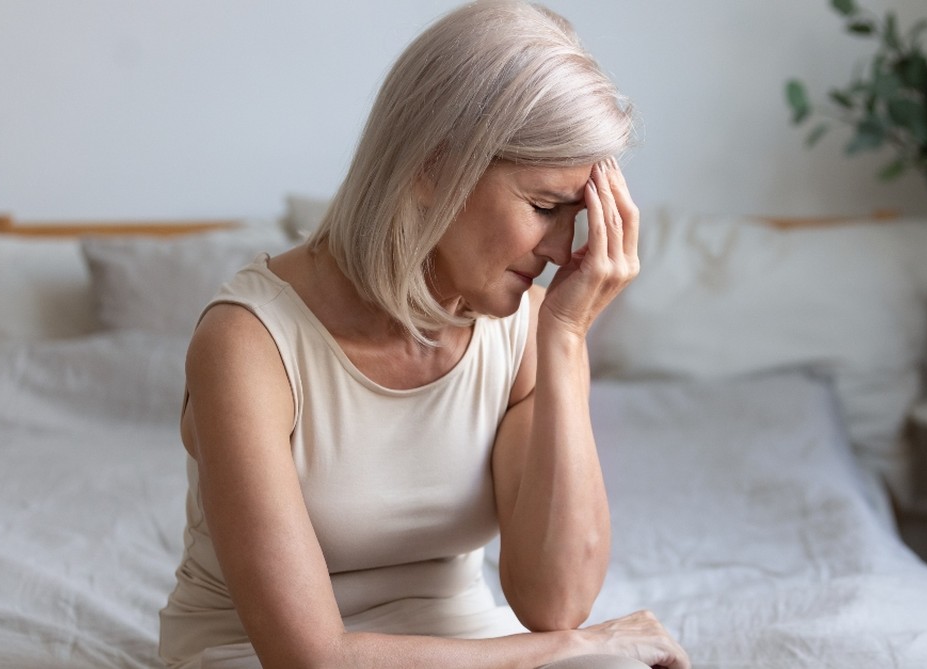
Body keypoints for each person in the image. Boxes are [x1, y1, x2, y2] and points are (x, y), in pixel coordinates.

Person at [158, 2, 688, 668]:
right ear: (434, 166)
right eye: (545, 207)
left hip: (463, 645)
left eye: (575, 215)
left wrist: (566, 341)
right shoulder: (248, 341)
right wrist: (574, 647)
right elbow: (311, 657)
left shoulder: (529, 328)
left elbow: (555, 604)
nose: (561, 250)